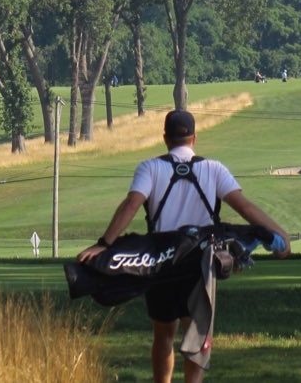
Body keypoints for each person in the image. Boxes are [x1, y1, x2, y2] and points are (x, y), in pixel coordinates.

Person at [77, 109, 290, 383]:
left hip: (160, 262)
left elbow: (131, 204)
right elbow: (244, 207)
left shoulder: (150, 168)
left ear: (165, 138)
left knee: (163, 334)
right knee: (197, 334)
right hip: (200, 264)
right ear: (194, 138)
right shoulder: (214, 168)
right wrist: (278, 234)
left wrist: (105, 244)